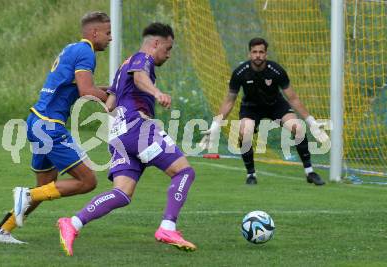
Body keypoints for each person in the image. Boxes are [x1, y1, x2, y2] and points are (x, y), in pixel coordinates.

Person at [56, 22, 197, 256]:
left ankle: (73, 223)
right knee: (184, 172)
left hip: (119, 135)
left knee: (121, 194)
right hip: (138, 128)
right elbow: (141, 77)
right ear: (156, 43)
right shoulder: (142, 59)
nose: (168, 55)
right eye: (168, 49)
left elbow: (110, 104)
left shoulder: (123, 67)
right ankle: (167, 227)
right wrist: (156, 93)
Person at [0, 11, 112, 244]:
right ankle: (26, 194)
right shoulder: (87, 53)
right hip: (50, 126)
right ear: (94, 33)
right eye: (108, 33)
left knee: (45, 187)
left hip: (36, 120)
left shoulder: (71, 48)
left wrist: (107, 89)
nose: (110, 38)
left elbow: (72, 88)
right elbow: (86, 92)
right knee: (88, 182)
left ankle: (1, 231)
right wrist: (113, 98)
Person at [200, 37, 328, 186]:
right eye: (254, 52)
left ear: (266, 54)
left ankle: (310, 172)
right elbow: (229, 101)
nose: (258, 55)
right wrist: (215, 124)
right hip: (251, 108)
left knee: (298, 127)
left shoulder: (276, 71)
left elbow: (293, 98)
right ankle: (251, 175)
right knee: (245, 131)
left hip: (276, 105)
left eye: (261, 52)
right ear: (249, 54)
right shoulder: (240, 73)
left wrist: (311, 121)